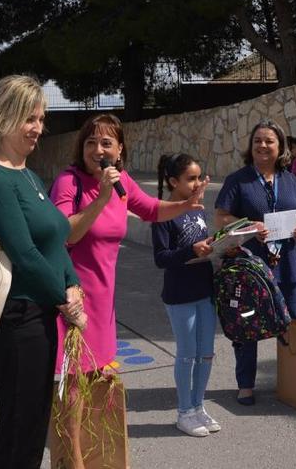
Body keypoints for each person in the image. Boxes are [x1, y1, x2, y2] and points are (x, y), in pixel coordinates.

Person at [48, 114, 206, 460]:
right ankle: (70, 460)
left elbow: (149, 209)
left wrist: (185, 204)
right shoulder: (69, 182)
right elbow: (65, 234)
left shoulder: (122, 182)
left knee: (95, 380)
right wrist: (102, 197)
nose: (98, 149)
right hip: (72, 299)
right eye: (91, 142)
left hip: (104, 303)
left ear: (119, 151)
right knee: (72, 387)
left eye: (106, 143)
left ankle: (92, 454)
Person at [0, 75, 86, 468]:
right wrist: (65, 299)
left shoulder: (27, 174)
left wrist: (72, 284)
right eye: (29, 118)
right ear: (4, 118)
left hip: (40, 312)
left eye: (41, 118)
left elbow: (54, 239)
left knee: (33, 421)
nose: (38, 127)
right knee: (22, 425)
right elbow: (22, 252)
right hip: (16, 317)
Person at [214, 119, 296, 406]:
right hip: (251, 268)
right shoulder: (238, 180)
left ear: (280, 146)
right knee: (247, 324)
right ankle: (245, 384)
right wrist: (249, 225)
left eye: (269, 140)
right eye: (257, 140)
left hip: (288, 263)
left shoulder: (291, 180)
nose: (262, 145)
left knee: (292, 322)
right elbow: (221, 217)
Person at [152, 154, 219, 437]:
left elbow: (201, 244)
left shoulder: (199, 209)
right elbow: (161, 258)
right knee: (187, 354)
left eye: (199, 177)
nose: (196, 183)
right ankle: (184, 412)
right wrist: (192, 251)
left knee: (206, 353)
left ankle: (198, 406)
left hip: (205, 290)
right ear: (172, 181)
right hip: (180, 294)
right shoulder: (163, 213)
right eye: (190, 178)